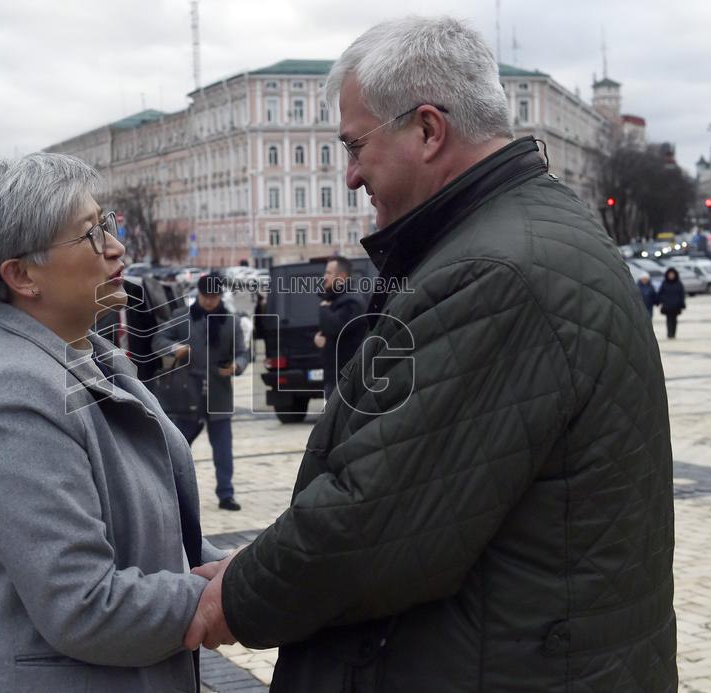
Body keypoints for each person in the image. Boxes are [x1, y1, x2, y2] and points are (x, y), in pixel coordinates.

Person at [186, 17, 676, 692]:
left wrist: (237, 597)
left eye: (356, 146)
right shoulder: (529, 231)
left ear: (426, 129)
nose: (352, 174)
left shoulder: (492, 273)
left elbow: (375, 522)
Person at [0, 153, 225, 692]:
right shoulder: (12, 395)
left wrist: (250, 567)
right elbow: (84, 605)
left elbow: (158, 543)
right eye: (90, 234)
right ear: (22, 275)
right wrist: (226, 598)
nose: (116, 246)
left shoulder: (87, 357)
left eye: (107, 224)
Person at [152, 273, 249, 512]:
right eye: (206, 296)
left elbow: (243, 353)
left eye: (214, 297)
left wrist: (236, 365)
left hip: (219, 394)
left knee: (223, 449)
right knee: (178, 447)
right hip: (187, 393)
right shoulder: (182, 317)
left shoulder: (231, 321)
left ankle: (226, 494)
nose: (209, 301)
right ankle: (170, 491)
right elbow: (158, 340)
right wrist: (175, 349)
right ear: (199, 294)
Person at [313, 256, 367, 399]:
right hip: (335, 376)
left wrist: (324, 309)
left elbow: (335, 326)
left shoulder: (351, 302)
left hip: (347, 379)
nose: (324, 277)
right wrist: (321, 339)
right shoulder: (336, 299)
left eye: (329, 273)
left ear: (341, 277)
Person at [656, 267, 685, 338]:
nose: (671, 276)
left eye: (672, 274)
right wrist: (661, 300)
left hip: (676, 305)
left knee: (674, 320)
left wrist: (682, 303)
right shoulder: (664, 283)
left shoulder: (679, 283)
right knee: (668, 320)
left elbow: (682, 294)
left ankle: (673, 333)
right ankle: (669, 334)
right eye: (670, 274)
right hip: (667, 305)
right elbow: (660, 293)